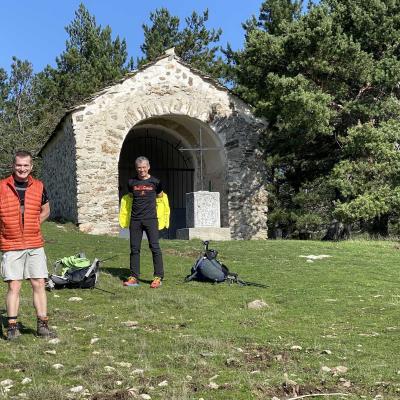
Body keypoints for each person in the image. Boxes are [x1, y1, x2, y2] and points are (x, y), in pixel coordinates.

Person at [0, 150, 56, 340]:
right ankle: (12, 327)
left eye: (26, 165)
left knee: (38, 283)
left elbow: (46, 209)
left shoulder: (39, 186)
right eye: (19, 165)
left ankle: (42, 325)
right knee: (14, 286)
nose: (22, 169)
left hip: (34, 243)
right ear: (13, 166)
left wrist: (33, 223)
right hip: (11, 243)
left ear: (31, 166)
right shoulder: (1, 186)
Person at [122, 156, 166, 288]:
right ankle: (134, 277)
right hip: (135, 220)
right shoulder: (131, 182)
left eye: (144, 167)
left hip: (151, 220)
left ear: (148, 167)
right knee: (134, 249)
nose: (141, 170)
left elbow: (160, 196)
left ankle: (158, 277)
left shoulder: (156, 182)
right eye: (139, 168)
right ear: (136, 168)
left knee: (155, 247)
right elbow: (130, 197)